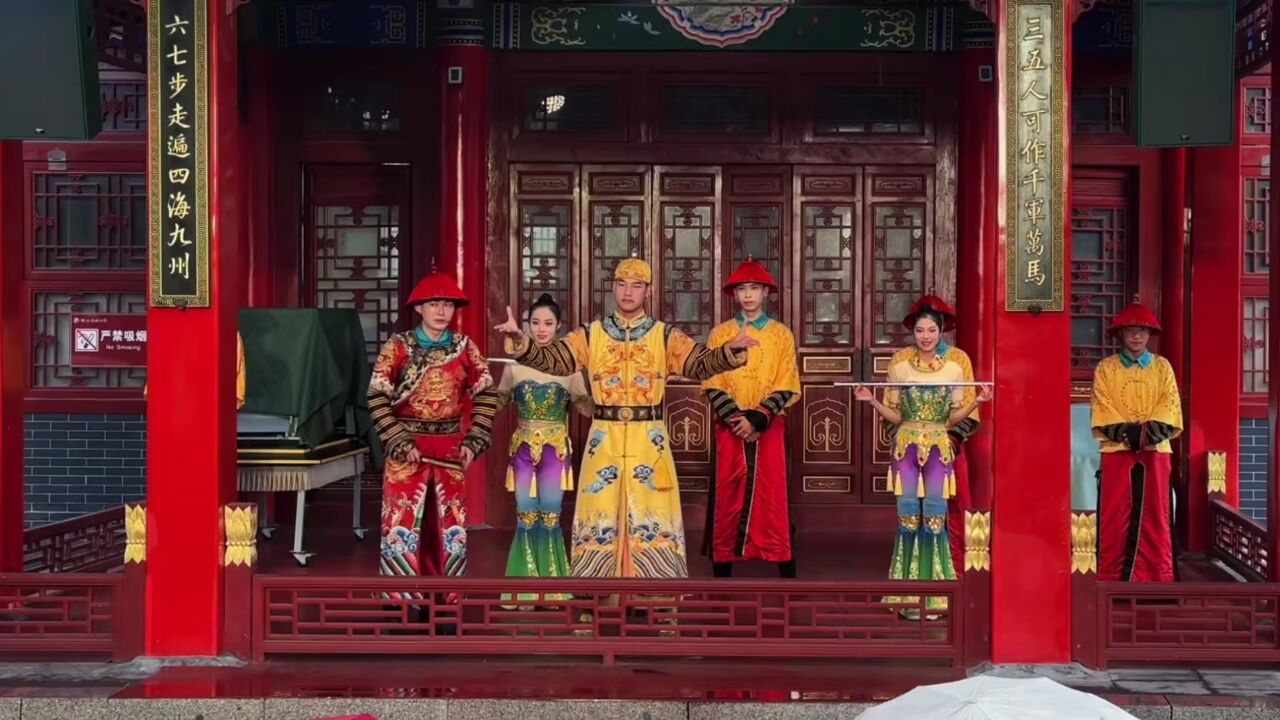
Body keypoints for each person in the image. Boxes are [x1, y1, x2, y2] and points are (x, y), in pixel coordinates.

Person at [493, 257, 757, 584]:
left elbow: (699, 364)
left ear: (649, 291)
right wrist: (521, 342)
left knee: (651, 510)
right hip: (605, 436)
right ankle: (598, 589)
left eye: (636, 285)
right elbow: (554, 360)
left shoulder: (664, 336)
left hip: (649, 438)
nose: (628, 292)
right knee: (600, 510)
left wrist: (729, 351)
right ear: (613, 288)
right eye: (621, 284)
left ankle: (655, 588)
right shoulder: (592, 334)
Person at [854, 296, 989, 615]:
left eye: (931, 330)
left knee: (935, 517)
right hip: (907, 445)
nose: (925, 336)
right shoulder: (900, 362)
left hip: (941, 446)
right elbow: (895, 414)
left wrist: (977, 402)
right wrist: (872, 401)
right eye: (919, 330)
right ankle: (904, 593)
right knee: (907, 518)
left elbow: (956, 416)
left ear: (941, 331)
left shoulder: (956, 363)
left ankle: (937, 593)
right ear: (912, 332)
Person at [369, 271, 500, 587]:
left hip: (450, 451)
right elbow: (376, 396)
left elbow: (486, 392)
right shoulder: (398, 347)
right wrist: (399, 440)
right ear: (418, 308)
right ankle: (400, 601)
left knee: (449, 527)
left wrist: (474, 439)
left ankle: (446, 599)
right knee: (401, 524)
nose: (442, 311)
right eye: (434, 304)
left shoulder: (465, 347)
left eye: (448, 305)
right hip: (407, 452)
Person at [701, 260, 801, 578]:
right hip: (730, 425)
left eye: (754, 288)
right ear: (735, 294)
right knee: (728, 493)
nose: (748, 295)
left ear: (765, 292)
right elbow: (712, 380)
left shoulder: (781, 335)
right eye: (742, 289)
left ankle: (781, 559)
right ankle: (723, 564)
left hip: (768, 425)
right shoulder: (721, 334)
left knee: (772, 495)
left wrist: (758, 419)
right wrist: (737, 419)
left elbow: (788, 381)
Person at [494, 294, 592, 599]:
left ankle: (552, 590)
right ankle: (524, 591)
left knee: (550, 516)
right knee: (525, 515)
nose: (541, 329)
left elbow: (585, 406)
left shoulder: (570, 367)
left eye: (548, 323)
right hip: (523, 450)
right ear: (527, 325)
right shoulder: (514, 364)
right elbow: (498, 402)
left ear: (558, 326)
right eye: (535, 323)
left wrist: (610, 396)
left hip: (555, 451)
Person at [1090, 300, 1182, 582]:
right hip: (1117, 453)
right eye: (1130, 330)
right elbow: (1103, 406)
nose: (1137, 336)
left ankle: (1157, 578)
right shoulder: (1106, 369)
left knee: (1157, 514)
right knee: (1114, 515)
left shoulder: (1163, 368)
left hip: (1156, 452)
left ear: (1150, 334)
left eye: (1142, 331)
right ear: (1121, 334)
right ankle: (1112, 578)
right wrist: (1131, 436)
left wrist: (1146, 435)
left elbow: (1170, 404)